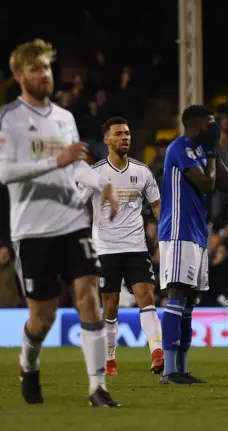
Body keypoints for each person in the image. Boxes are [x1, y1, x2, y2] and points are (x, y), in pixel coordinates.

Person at [0, 39, 120, 406]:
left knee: (88, 297)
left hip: (72, 222)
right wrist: (57, 162)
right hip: (33, 230)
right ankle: (29, 364)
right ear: (20, 76)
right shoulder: (10, 118)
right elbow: (5, 172)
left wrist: (104, 184)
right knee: (43, 316)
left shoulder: (64, 118)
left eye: (48, 68)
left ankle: (97, 388)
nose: (45, 75)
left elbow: (78, 166)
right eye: (36, 69)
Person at [79, 116, 164, 376]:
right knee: (111, 304)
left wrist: (165, 238)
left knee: (146, 296)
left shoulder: (142, 171)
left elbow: (157, 206)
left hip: (136, 246)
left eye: (127, 133)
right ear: (106, 140)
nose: (124, 137)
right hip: (105, 248)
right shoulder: (95, 173)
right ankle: (110, 358)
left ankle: (157, 352)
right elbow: (76, 204)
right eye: (118, 134)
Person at [158, 105, 228, 384]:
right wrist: (211, 155)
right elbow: (206, 185)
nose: (214, 128)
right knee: (177, 295)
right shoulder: (179, 149)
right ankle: (168, 371)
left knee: (190, 301)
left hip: (197, 233)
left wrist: (214, 152)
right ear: (196, 125)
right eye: (210, 124)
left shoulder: (202, 152)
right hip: (179, 231)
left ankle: (182, 369)